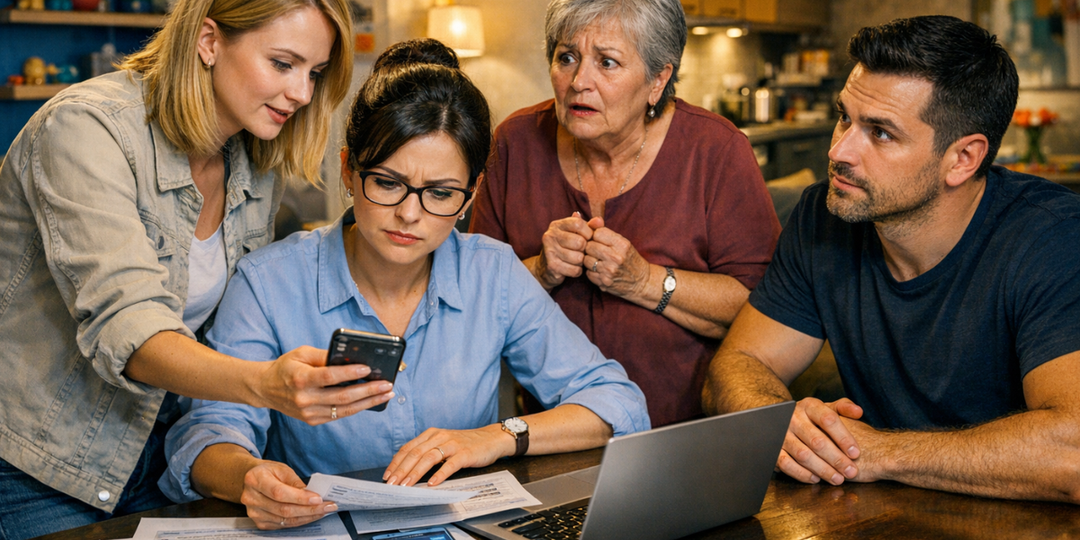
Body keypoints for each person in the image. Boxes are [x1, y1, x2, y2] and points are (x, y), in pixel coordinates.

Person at [159, 39, 650, 530]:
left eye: (440, 193)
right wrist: (250, 477)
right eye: (388, 183)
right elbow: (205, 435)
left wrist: (496, 436)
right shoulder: (269, 282)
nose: (409, 215)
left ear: (469, 195)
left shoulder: (492, 273)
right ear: (350, 169)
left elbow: (615, 401)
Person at [0, 0, 360, 537]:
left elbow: (228, 327)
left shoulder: (254, 160)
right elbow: (131, 328)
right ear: (209, 42)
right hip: (44, 465)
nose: (302, 94)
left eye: (315, 73)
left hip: (161, 454)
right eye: (283, 64)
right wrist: (266, 383)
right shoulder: (86, 128)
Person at [702, 15, 1080, 503]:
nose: (840, 150)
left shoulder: (1053, 238)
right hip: (883, 510)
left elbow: (1072, 452)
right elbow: (738, 363)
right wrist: (785, 422)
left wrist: (878, 453)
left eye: (880, 133)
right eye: (845, 117)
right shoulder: (824, 214)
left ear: (963, 158)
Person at [468, 0, 780, 427]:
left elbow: (764, 309)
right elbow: (472, 300)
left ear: (658, 79)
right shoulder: (514, 144)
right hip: (551, 436)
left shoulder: (716, 151)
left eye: (607, 62)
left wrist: (645, 280)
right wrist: (541, 270)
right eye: (567, 57)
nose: (579, 82)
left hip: (686, 435)